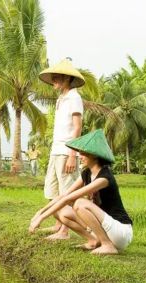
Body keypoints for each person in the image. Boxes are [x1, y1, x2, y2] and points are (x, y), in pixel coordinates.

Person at [29, 130, 133, 255]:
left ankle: (107, 245)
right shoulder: (86, 173)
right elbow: (64, 196)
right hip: (104, 227)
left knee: (80, 203)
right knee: (61, 212)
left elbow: (69, 199)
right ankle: (93, 241)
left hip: (120, 231)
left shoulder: (105, 178)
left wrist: (41, 219)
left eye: (83, 153)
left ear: (94, 155)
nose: (80, 156)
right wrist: (40, 212)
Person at [38, 58, 85, 240]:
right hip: (56, 151)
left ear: (66, 78)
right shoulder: (61, 98)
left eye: (56, 78)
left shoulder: (74, 97)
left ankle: (64, 231)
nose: (53, 81)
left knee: (66, 193)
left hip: (66, 151)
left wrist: (73, 154)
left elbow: (77, 127)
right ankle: (59, 225)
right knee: (52, 192)